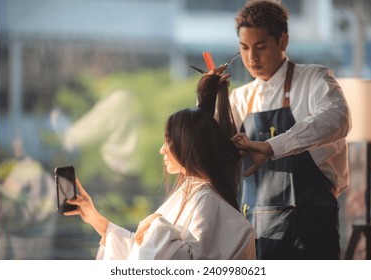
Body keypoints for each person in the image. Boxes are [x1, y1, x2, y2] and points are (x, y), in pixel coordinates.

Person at [64, 74, 256, 260]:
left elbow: (178, 263)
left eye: (167, 142)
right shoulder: (193, 192)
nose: (162, 150)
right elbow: (142, 249)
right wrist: (93, 216)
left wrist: (155, 222)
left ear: (187, 145)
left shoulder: (206, 201)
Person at [227, 0, 351, 259]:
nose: (252, 58)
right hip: (255, 229)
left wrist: (272, 147)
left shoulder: (314, 79)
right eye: (244, 48)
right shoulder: (239, 98)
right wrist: (207, 100)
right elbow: (211, 149)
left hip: (312, 227)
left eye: (260, 47)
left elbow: (338, 118)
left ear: (283, 41)